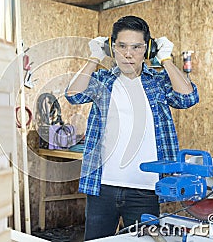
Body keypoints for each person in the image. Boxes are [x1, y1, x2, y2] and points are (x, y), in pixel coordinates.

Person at [65, 16, 199, 240]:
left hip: (145, 189)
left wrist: (165, 59)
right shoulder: (103, 80)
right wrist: (93, 58)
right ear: (112, 48)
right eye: (122, 46)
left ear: (146, 50)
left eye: (136, 47)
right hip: (102, 187)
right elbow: (73, 95)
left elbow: (189, 98)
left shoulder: (158, 81)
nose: (128, 54)